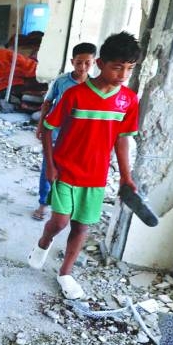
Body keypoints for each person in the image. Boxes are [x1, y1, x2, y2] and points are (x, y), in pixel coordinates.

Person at [28, 32, 141, 299]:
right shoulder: (74, 95)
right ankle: (44, 241)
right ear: (101, 64)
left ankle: (65, 273)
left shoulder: (128, 100)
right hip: (66, 170)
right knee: (59, 221)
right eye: (117, 67)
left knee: (81, 227)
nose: (123, 74)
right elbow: (47, 127)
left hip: (96, 176)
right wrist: (51, 165)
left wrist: (126, 176)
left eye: (129, 68)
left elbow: (122, 140)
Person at [32, 42, 97, 220]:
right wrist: (40, 126)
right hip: (54, 133)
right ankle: (43, 204)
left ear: (95, 63)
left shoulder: (94, 86)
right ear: (72, 62)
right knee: (49, 168)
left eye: (87, 63)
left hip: (77, 137)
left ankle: (64, 205)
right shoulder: (61, 81)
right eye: (79, 62)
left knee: (70, 172)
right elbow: (47, 103)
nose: (83, 67)